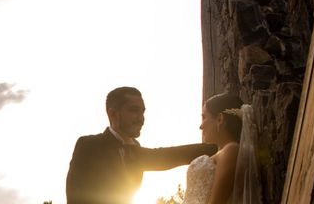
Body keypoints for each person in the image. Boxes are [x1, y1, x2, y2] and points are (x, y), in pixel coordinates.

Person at [65, 86, 217, 204]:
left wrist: (221, 145)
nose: (141, 118)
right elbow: (75, 196)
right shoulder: (89, 145)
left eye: (143, 112)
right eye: (134, 111)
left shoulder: (135, 150)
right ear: (113, 114)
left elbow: (169, 155)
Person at [183, 92, 261, 204]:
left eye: (204, 117)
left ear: (220, 119)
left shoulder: (231, 150)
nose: (201, 126)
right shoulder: (223, 152)